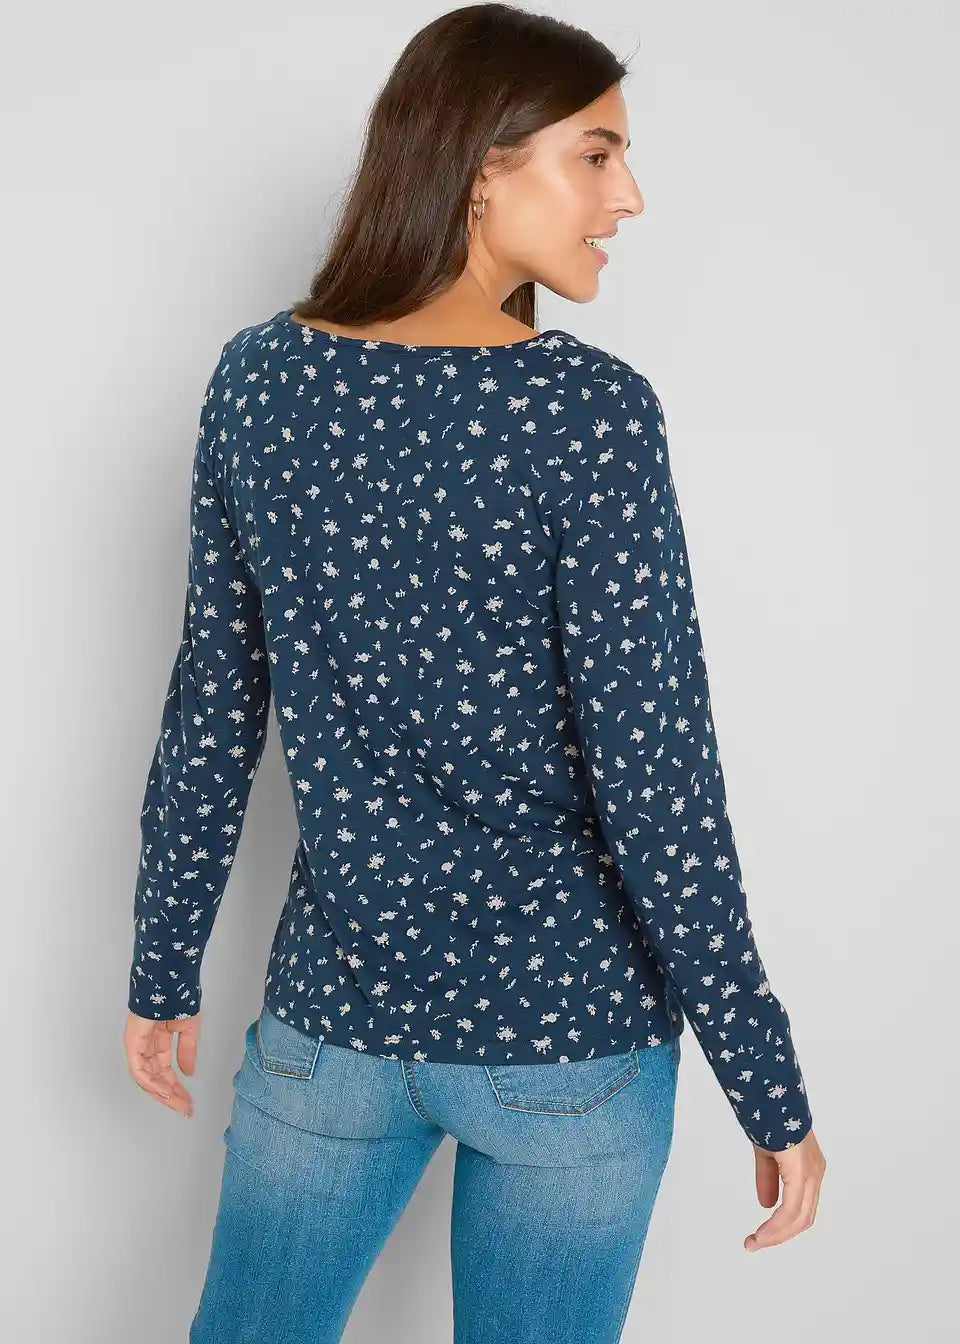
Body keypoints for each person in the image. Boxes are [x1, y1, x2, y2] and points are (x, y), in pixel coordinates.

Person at [123, 5, 826, 1341]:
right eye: (597, 154)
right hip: (571, 1043)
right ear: (481, 165)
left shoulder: (259, 383)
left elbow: (213, 707)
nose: (630, 196)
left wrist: (164, 967)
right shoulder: (588, 413)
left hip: (332, 1027)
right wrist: (767, 1079)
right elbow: (657, 778)